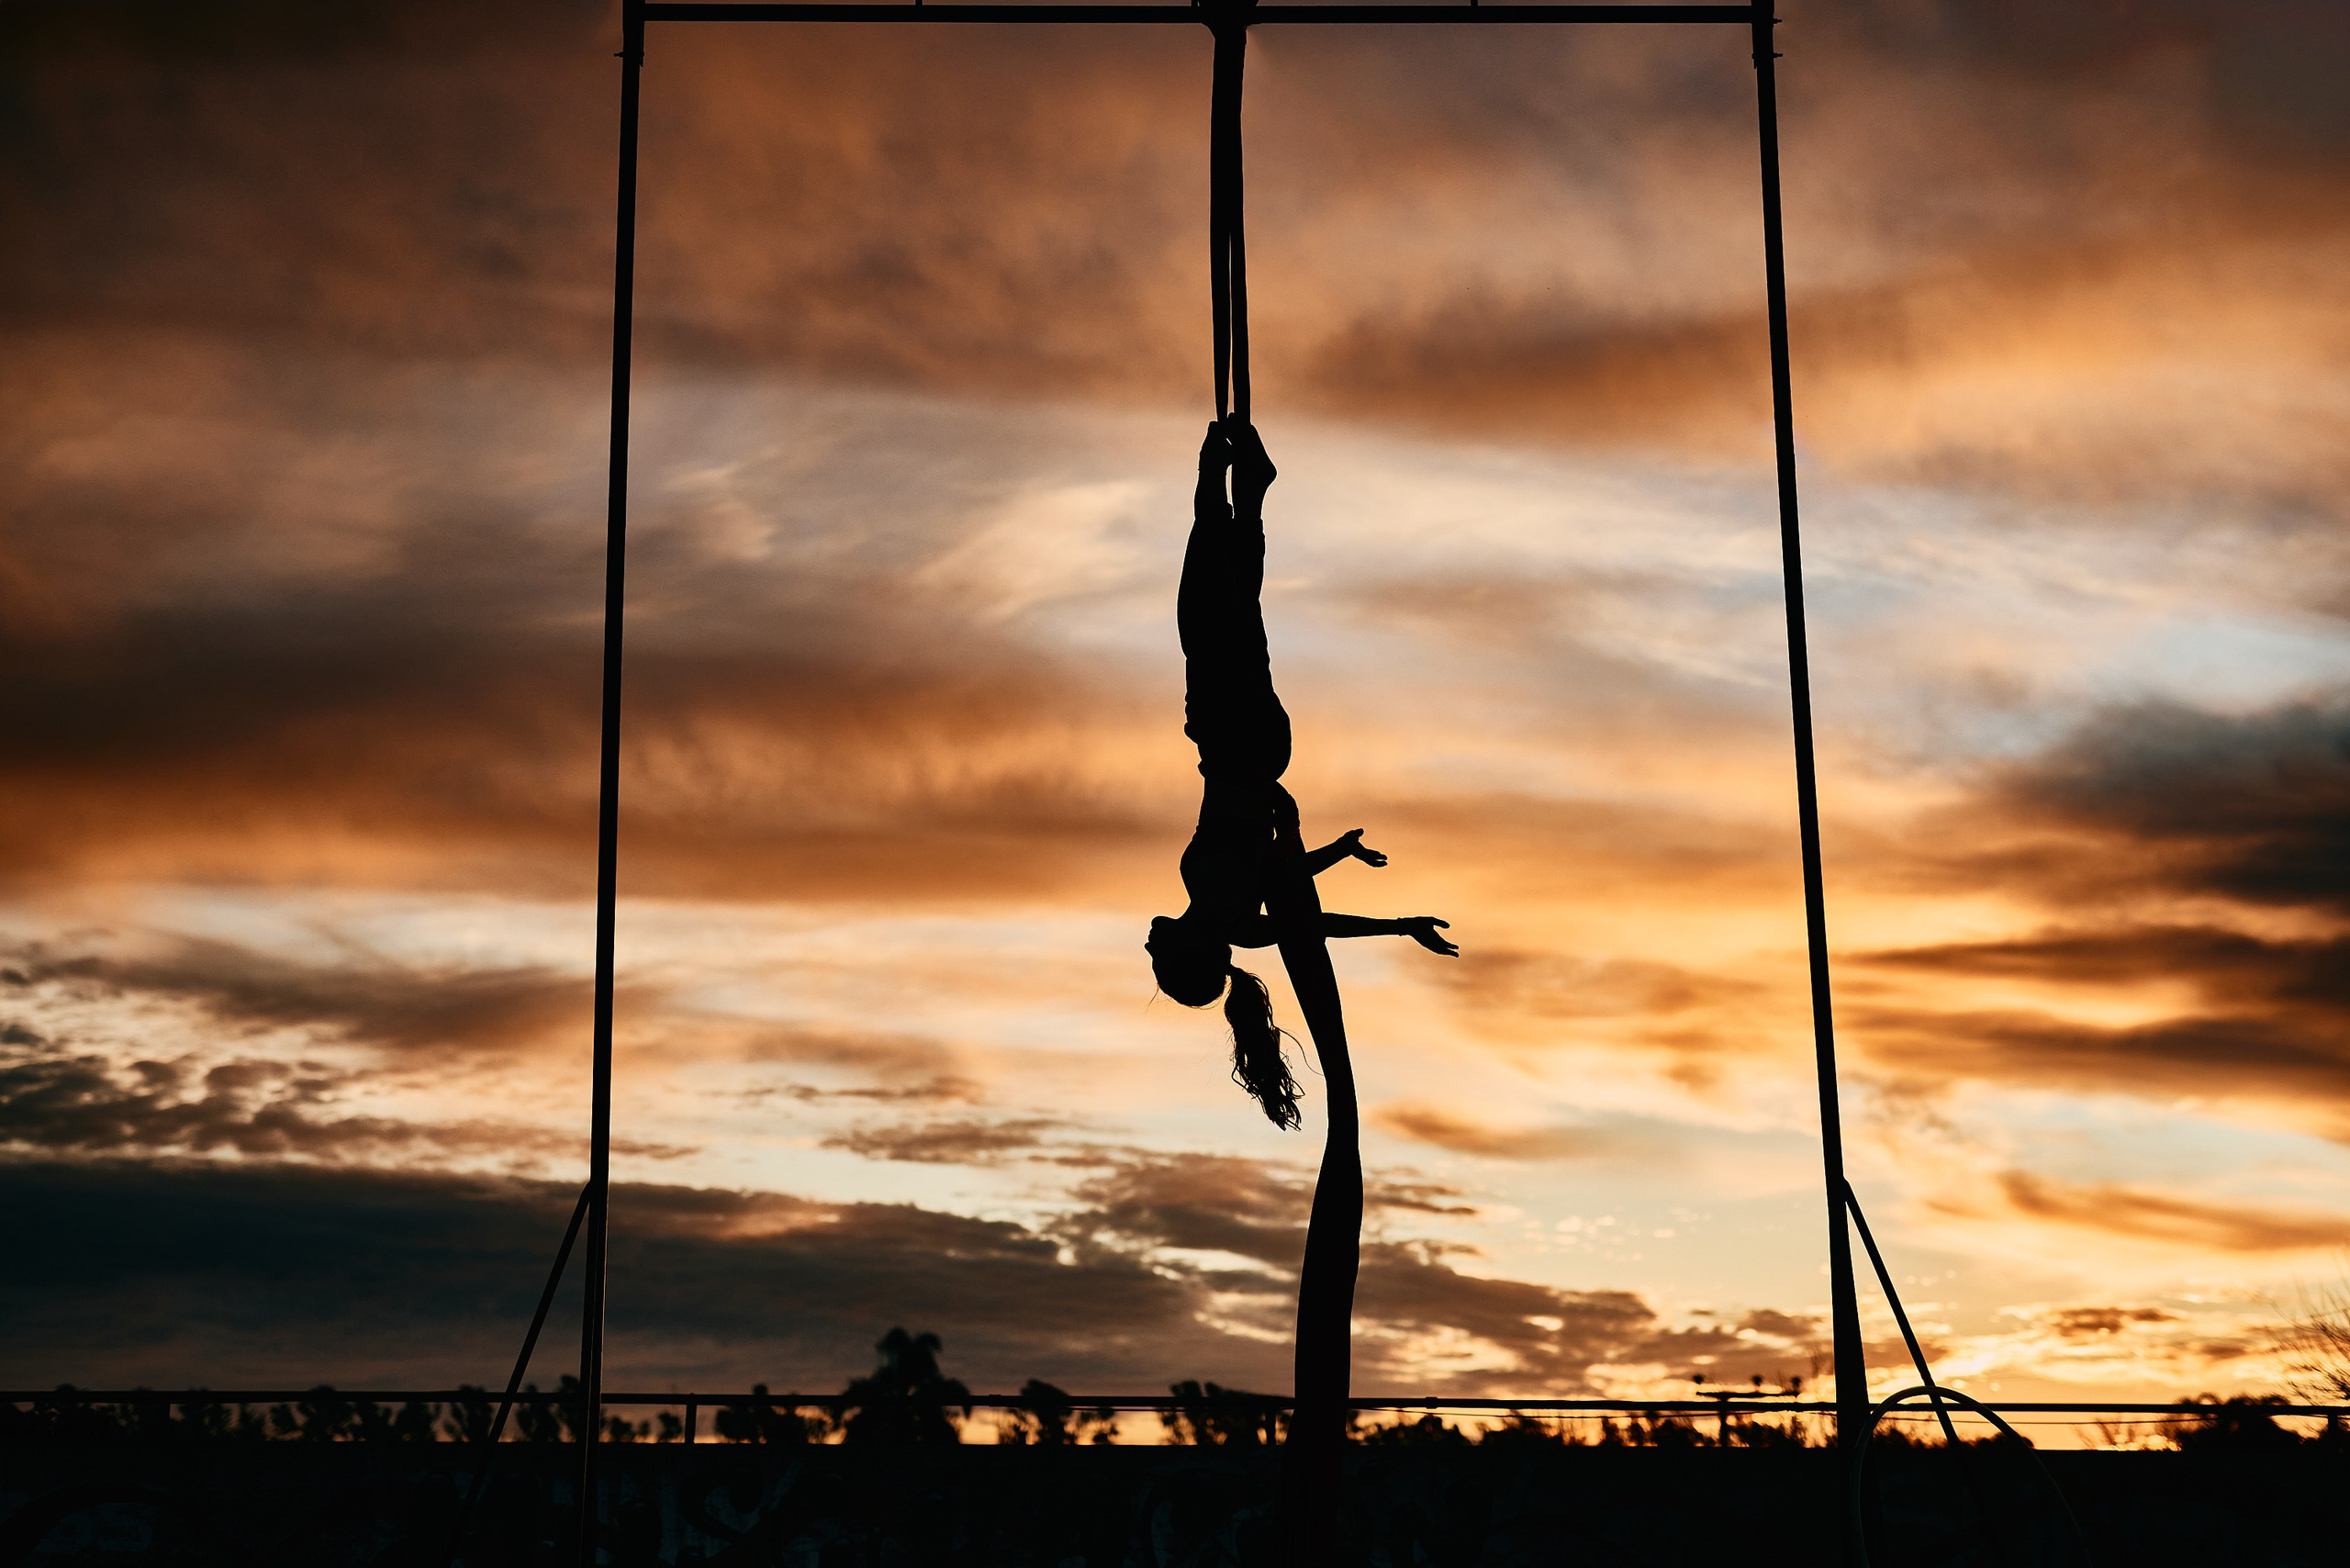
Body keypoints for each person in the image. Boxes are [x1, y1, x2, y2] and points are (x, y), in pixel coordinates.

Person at [1147, 420, 1458, 1129]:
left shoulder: (1238, 918)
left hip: (1251, 738)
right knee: (1207, 599)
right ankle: (1219, 481)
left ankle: (1248, 493)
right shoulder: (1226, 905)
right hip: (1235, 735)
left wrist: (1360, 878)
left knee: (1231, 602)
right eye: (1163, 962)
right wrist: (1281, 807)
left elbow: (1300, 902)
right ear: (1196, 955)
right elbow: (1308, 912)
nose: (1150, 946)